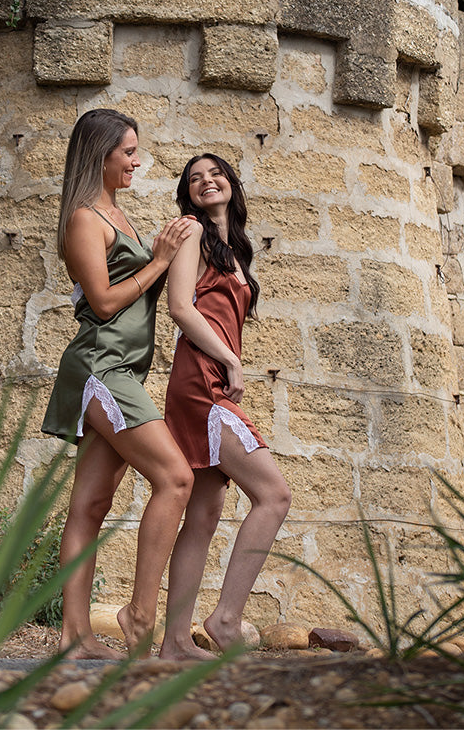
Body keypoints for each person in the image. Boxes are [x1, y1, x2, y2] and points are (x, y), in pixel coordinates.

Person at [42, 108, 195, 658]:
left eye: (136, 150)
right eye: (128, 151)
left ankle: (74, 638)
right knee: (176, 477)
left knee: (91, 504)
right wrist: (158, 260)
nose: (137, 160)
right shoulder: (85, 218)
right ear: (99, 155)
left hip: (123, 370)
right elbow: (104, 303)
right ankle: (138, 615)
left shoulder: (120, 217)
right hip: (99, 366)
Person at [159, 153, 292, 660]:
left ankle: (174, 643)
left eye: (214, 174)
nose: (205, 182)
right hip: (200, 379)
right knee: (274, 495)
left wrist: (227, 362)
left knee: (204, 514)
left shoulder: (234, 247)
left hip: (210, 374)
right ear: (187, 194)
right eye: (195, 179)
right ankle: (227, 618)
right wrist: (229, 360)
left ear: (231, 184)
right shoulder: (191, 231)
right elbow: (179, 307)